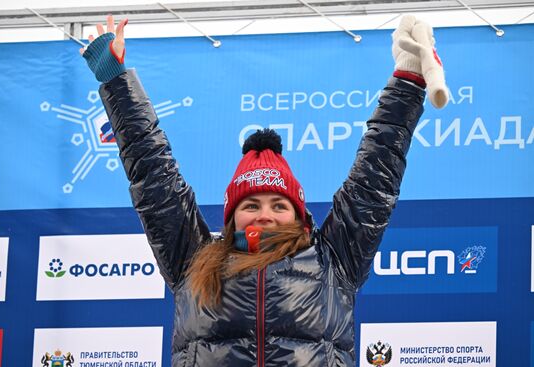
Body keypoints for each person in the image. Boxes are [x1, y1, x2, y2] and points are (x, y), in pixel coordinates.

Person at [81, 14, 445, 367]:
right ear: (232, 215)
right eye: (251, 204)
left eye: (278, 204)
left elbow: (375, 174)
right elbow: (153, 174)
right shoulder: (192, 258)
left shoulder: (334, 259)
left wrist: (408, 80)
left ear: (299, 213)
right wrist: (116, 82)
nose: (265, 214)